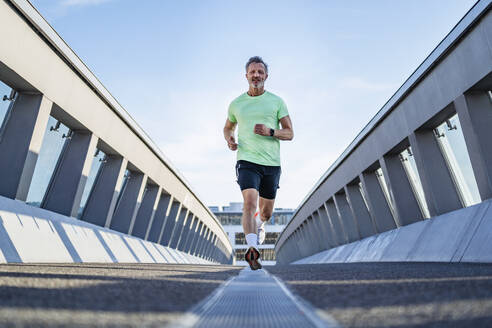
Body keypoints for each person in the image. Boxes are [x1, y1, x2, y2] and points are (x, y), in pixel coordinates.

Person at [223, 56, 294, 270]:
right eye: (252, 72)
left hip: (271, 163)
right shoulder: (236, 104)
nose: (256, 75)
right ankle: (252, 249)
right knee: (249, 202)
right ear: (246, 76)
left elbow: (290, 133)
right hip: (246, 160)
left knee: (265, 212)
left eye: (260, 72)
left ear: (266, 76)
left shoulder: (277, 102)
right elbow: (227, 127)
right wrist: (229, 139)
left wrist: (270, 131)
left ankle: (260, 224)